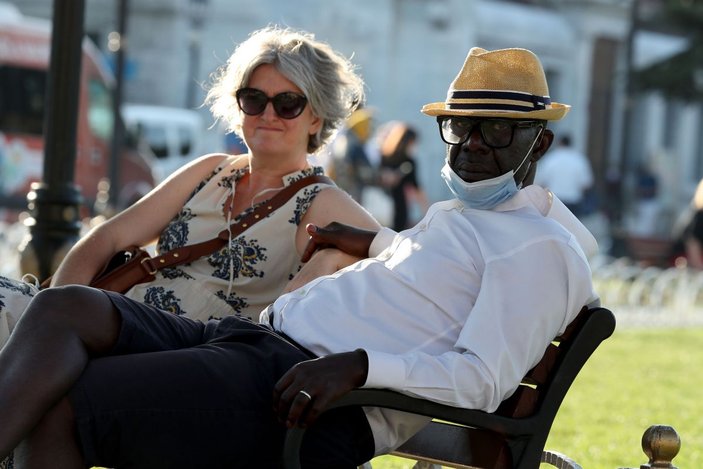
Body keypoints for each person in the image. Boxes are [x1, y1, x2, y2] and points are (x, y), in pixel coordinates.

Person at [0, 47, 599, 468]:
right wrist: (370, 243)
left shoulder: (540, 248)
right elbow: (430, 274)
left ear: (538, 141)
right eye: (460, 128)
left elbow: (478, 380)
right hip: (255, 349)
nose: (471, 146)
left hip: (308, 398)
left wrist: (359, 368)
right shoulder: (475, 221)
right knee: (65, 308)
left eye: (495, 132)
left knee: (64, 403)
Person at [0, 26, 380, 347]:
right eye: (254, 99)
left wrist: (332, 261)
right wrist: (50, 306)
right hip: (101, 316)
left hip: (176, 347)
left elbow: (399, 262)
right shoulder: (210, 170)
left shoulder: (320, 199)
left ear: (316, 117)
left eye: (287, 104)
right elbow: (108, 238)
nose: (267, 115)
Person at [378, 122, 429, 230]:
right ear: (409, 142)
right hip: (399, 205)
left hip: (380, 204)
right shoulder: (409, 162)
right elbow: (416, 186)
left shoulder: (384, 156)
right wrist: (427, 210)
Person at [534, 134, 594, 218]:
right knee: (571, 228)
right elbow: (586, 184)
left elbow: (540, 181)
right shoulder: (579, 159)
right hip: (573, 201)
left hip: (555, 201)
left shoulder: (551, 158)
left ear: (559, 143)